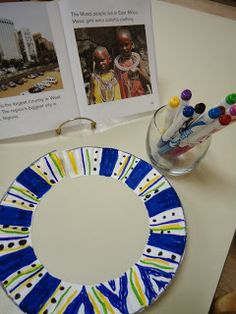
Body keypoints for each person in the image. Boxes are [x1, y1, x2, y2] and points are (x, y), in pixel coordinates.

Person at [114, 28, 151, 99]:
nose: (124, 48)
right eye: (121, 45)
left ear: (132, 44)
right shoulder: (117, 64)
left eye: (126, 44)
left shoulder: (137, 60)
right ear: (117, 46)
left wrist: (138, 70)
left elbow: (148, 81)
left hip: (139, 96)